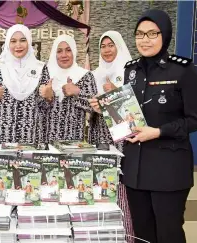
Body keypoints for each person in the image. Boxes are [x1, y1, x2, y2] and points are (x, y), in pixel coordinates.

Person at [97, 10, 197, 243]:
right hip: (135, 168)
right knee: (142, 234)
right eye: (139, 34)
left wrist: (158, 132)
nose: (144, 40)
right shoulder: (131, 70)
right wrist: (106, 108)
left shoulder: (182, 71)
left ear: (164, 35)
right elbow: (131, 115)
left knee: (168, 232)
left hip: (169, 168)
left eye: (152, 34)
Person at [88, 30, 134, 242]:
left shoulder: (132, 71)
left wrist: (116, 92)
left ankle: (125, 232)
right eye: (103, 46)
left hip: (125, 136)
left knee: (122, 180)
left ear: (119, 45)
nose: (106, 50)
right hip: (100, 133)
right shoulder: (96, 73)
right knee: (102, 179)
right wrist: (95, 106)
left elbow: (137, 110)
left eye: (110, 45)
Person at [0, 24, 47, 144]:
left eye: (23, 40)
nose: (18, 45)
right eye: (13, 41)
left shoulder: (40, 68)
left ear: (29, 42)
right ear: (7, 43)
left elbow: (45, 107)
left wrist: (49, 97)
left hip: (31, 137)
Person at [39, 34, 97, 141]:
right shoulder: (45, 74)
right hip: (46, 139)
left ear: (74, 51)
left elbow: (95, 109)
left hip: (74, 140)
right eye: (59, 51)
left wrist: (77, 92)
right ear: (54, 54)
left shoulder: (85, 75)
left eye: (68, 50)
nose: (64, 55)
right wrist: (47, 98)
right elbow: (36, 107)